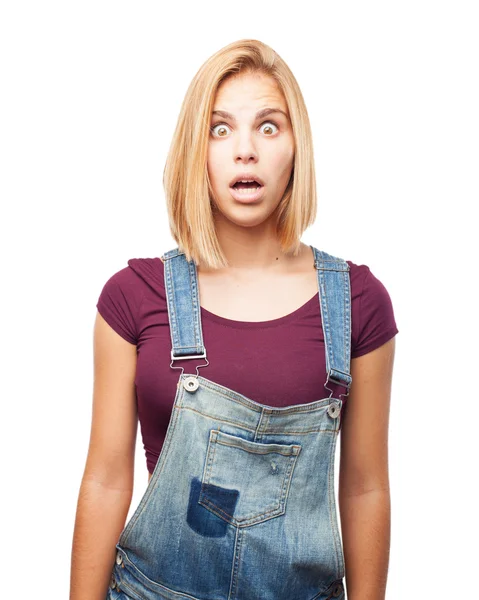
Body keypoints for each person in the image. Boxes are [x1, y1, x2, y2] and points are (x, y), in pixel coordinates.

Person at [70, 39, 398, 600]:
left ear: (297, 147)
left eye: (268, 127)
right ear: (195, 150)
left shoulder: (358, 303)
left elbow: (365, 486)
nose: (245, 150)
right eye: (220, 129)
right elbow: (105, 478)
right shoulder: (133, 297)